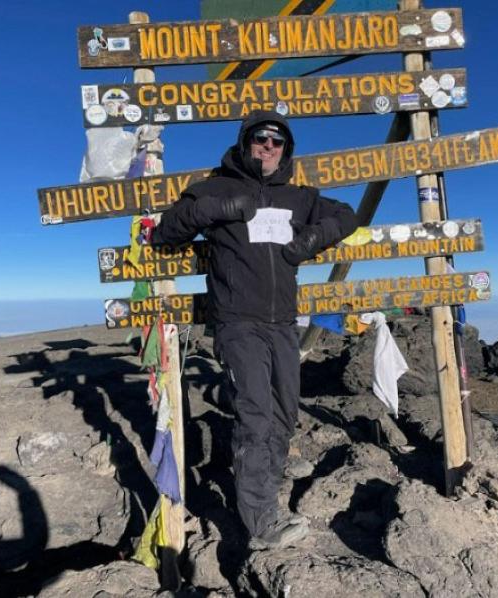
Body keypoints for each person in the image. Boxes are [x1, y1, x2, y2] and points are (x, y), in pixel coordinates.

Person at [153, 110, 356, 549]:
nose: (268, 146)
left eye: (277, 141)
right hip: (237, 323)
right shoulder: (215, 186)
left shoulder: (298, 197)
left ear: (286, 150)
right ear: (245, 142)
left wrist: (311, 239)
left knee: (284, 413)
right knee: (255, 415)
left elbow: (346, 215)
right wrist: (217, 209)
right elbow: (165, 233)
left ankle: (268, 483)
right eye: (260, 138)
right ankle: (260, 520)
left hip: (282, 323)